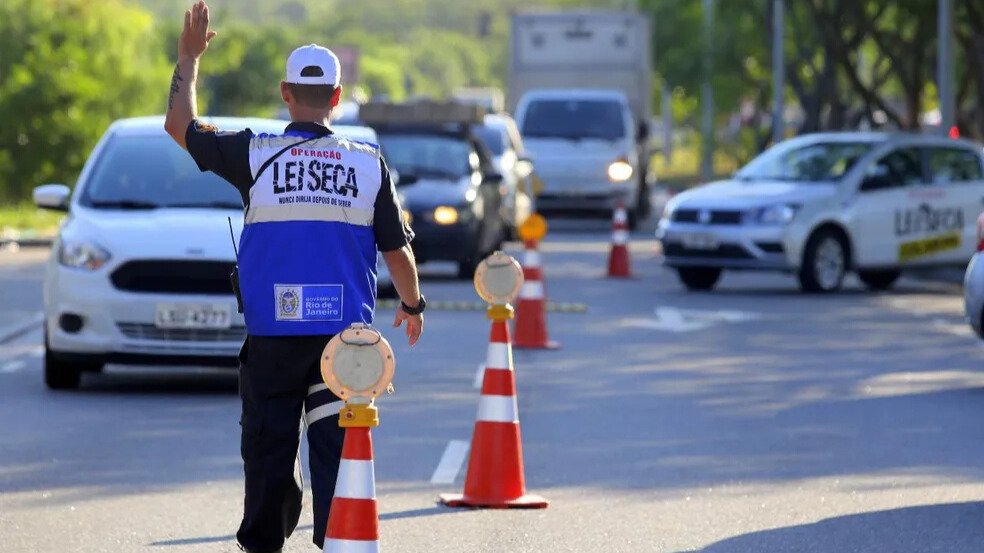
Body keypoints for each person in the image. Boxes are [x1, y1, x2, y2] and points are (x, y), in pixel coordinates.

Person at [163, 3, 425, 552]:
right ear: (336, 95)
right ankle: (340, 541)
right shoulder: (366, 163)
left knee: (267, 450)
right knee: (337, 453)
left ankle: (265, 541)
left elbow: (179, 126)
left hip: (273, 338)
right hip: (344, 343)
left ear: (286, 92)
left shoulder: (254, 153)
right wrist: (413, 304)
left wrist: (188, 58)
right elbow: (396, 250)